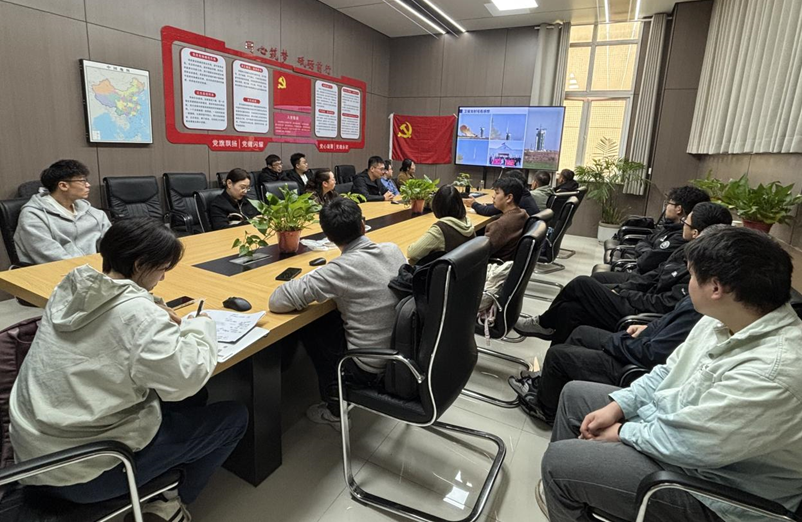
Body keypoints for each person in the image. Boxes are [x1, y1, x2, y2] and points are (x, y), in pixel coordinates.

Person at [539, 226, 802, 522]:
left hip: (716, 494)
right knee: (575, 394)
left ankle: (568, 486)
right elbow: (667, 371)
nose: (688, 283)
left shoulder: (773, 371)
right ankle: (577, 496)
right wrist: (619, 406)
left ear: (716, 288)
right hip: (679, 439)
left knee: (559, 463)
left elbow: (692, 445)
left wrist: (623, 432)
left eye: (692, 276)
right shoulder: (722, 318)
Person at [9, 217, 248, 521]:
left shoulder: (71, 288)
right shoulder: (140, 317)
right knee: (233, 418)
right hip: (85, 471)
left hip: (33, 455)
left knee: (187, 400)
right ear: (139, 265)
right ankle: (169, 504)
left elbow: (121, 317)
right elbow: (187, 378)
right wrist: (199, 326)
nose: (163, 278)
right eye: (162, 269)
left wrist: (149, 303)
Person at [268, 198, 406, 430]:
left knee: (313, 324)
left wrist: (318, 276)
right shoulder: (392, 249)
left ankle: (334, 404)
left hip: (369, 367)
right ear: (363, 225)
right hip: (403, 351)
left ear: (329, 237)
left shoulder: (340, 269)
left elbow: (277, 301)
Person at [515, 202, 733, 343]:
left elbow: (663, 303)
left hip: (639, 311)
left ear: (695, 232)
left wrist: (626, 294)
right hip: (638, 298)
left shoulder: (702, 270)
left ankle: (544, 323)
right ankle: (544, 373)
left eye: (686, 222)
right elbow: (653, 275)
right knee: (570, 310)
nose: (682, 224)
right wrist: (623, 288)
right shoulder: (685, 250)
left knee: (581, 284)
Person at [510, 295, 701, 425]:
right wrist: (647, 326)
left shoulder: (697, 313)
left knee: (557, 355)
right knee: (580, 332)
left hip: (635, 365)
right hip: (639, 344)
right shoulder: (695, 301)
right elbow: (666, 322)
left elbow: (652, 355)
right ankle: (549, 388)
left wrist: (617, 341)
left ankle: (546, 409)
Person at [14, 159, 111, 265]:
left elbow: (114, 243)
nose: (88, 185)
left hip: (97, 267)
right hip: (56, 270)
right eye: (82, 181)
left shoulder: (93, 213)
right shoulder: (33, 216)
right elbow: (50, 255)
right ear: (63, 186)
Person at [608, 186, 710, 273]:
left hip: (641, 278)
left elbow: (646, 262)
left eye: (668, 203)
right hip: (639, 275)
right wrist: (648, 251)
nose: (666, 207)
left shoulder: (681, 237)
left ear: (678, 209)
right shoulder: (670, 226)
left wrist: (647, 252)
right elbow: (646, 240)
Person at [407, 185, 475, 265]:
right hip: (464, 269)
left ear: (437, 205)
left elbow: (412, 253)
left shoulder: (441, 229)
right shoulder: (467, 222)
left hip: (447, 271)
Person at [483, 177, 529, 262]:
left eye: (497, 193)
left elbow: (480, 252)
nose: (493, 196)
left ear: (509, 198)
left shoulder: (500, 225)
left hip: (494, 265)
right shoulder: (523, 214)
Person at [465, 170, 540, 216]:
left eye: (497, 193)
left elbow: (488, 211)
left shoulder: (517, 198)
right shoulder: (524, 195)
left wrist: (473, 204)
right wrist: (485, 204)